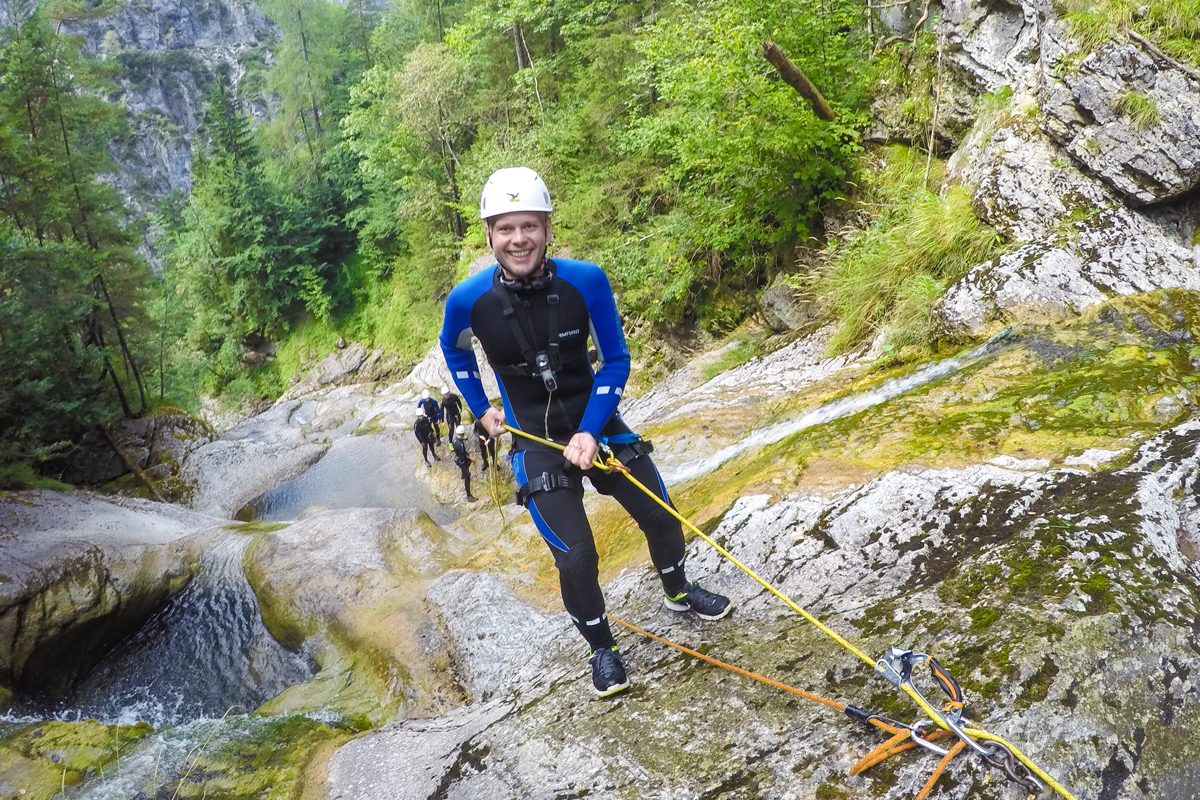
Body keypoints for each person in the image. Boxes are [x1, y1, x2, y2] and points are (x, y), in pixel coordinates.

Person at [440, 166, 731, 698]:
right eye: (505, 228)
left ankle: (678, 590)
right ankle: (602, 648)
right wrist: (481, 408)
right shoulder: (468, 301)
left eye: (528, 225)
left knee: (661, 514)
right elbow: (454, 349)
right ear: (488, 235)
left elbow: (616, 360)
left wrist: (593, 431)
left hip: (597, 424)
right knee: (577, 555)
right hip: (535, 440)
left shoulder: (586, 281)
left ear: (548, 228)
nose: (518, 239)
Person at [451, 424, 477, 501]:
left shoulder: (454, 440)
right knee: (467, 478)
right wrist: (471, 460)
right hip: (462, 461)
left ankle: (463, 474)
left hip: (458, 459)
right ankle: (469, 495)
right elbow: (463, 457)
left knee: (464, 469)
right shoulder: (461, 444)